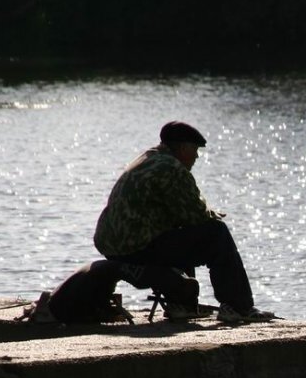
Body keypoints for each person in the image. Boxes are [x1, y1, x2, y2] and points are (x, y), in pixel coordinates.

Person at [47, 120, 274, 324]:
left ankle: (181, 305)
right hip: (136, 248)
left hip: (115, 246)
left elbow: (180, 215)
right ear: (183, 147)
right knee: (216, 233)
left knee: (180, 231)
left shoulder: (147, 159)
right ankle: (238, 306)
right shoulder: (171, 168)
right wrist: (214, 215)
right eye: (195, 150)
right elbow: (196, 214)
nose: (196, 157)